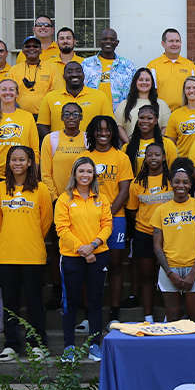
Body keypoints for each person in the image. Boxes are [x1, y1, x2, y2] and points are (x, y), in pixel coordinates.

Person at [0, 145, 53, 362]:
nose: (17, 163)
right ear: (8, 163)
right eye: (13, 159)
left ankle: (37, 344)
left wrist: (31, 238)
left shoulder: (41, 189)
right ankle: (11, 345)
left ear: (30, 163)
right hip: (7, 254)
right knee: (10, 302)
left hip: (33, 254)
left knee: (35, 301)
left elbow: (45, 222)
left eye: (22, 159)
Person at [55, 157, 112, 362]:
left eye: (89, 172)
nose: (85, 175)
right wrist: (82, 249)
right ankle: (69, 347)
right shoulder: (64, 199)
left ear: (93, 175)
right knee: (70, 303)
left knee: (95, 302)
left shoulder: (101, 199)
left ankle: (94, 345)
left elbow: (107, 225)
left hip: (98, 255)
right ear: (74, 174)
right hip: (72, 257)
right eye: (81, 171)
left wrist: (93, 246)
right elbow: (62, 228)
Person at [85, 115, 134, 322]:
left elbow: (124, 191)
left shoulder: (121, 157)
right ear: (92, 132)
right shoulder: (86, 157)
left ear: (113, 132)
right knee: (90, 266)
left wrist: (107, 215)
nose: (103, 133)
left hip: (116, 218)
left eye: (107, 129)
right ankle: (89, 314)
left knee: (114, 266)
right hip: (88, 218)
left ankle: (114, 314)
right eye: (99, 129)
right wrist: (97, 216)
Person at [151, 159, 195, 322]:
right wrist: (169, 273)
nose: (181, 185)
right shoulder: (161, 210)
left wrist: (193, 273)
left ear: (191, 184)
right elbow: (157, 246)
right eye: (177, 181)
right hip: (169, 268)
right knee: (172, 316)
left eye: (185, 182)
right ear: (171, 183)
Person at [127, 142, 173, 323]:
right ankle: (148, 317)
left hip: (170, 235)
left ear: (163, 157)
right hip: (144, 234)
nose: (153, 158)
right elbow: (131, 209)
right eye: (149, 155)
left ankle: (170, 315)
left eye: (157, 154)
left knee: (168, 276)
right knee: (147, 277)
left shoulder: (171, 179)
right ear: (144, 159)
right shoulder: (137, 183)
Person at [0, 79, 40, 180]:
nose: (7, 92)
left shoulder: (28, 117)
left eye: (11, 89)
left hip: (22, 175)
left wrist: (33, 174)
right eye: (4, 89)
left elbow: (34, 150)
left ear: (17, 93)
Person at [37, 61, 112, 139]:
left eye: (78, 71)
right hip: (59, 148)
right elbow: (42, 125)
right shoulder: (50, 97)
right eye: (69, 72)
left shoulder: (100, 96)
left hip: (91, 147)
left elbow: (109, 124)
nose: (74, 74)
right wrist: (55, 141)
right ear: (64, 76)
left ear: (84, 75)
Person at [83, 28, 139, 113]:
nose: (108, 42)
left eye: (112, 39)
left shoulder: (128, 65)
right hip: (91, 112)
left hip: (120, 114)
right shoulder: (86, 64)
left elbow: (135, 91)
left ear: (117, 43)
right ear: (99, 41)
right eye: (105, 39)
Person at [40, 103, 88, 197]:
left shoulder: (88, 139)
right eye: (67, 114)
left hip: (82, 199)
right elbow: (45, 174)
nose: (71, 117)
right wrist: (54, 198)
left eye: (75, 114)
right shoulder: (50, 139)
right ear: (62, 117)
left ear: (81, 117)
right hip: (57, 197)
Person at [148, 28, 195, 111]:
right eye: (171, 41)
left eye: (177, 41)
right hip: (161, 113)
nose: (175, 44)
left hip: (185, 113)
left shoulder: (190, 66)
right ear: (163, 44)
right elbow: (150, 93)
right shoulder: (153, 66)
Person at [8, 36, 60, 114]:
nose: (31, 48)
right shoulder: (14, 70)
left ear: (41, 50)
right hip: (20, 115)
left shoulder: (52, 68)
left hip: (44, 116)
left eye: (35, 46)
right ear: (23, 50)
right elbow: (9, 93)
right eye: (27, 46)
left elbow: (56, 93)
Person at [125, 104, 178, 176]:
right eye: (141, 118)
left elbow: (174, 171)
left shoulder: (167, 144)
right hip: (136, 187)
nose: (145, 121)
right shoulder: (127, 147)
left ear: (156, 121)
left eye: (149, 118)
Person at [165, 76, 195, 157]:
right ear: (184, 91)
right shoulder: (175, 115)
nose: (191, 91)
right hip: (182, 160)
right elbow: (170, 144)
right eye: (188, 88)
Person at [119, 67, 171, 135]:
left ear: (152, 83)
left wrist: (157, 143)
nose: (144, 82)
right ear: (135, 82)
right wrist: (129, 144)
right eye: (141, 80)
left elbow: (166, 127)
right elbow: (119, 127)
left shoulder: (162, 104)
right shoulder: (124, 104)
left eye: (147, 80)